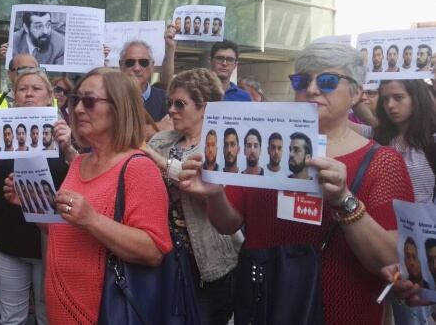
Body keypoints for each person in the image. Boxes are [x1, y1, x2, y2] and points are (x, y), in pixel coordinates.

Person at [177, 42, 414, 325]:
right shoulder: (264, 150)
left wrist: (344, 200)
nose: (312, 89)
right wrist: (214, 194)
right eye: (302, 80)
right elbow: (228, 224)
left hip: (343, 310)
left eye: (327, 81)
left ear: (356, 93)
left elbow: (388, 256)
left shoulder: (382, 162)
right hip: (267, 305)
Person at [8, 67, 172, 324]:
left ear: (119, 107)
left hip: (104, 313)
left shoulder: (138, 167)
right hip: (60, 310)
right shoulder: (78, 162)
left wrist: (92, 219)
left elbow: (153, 250)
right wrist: (31, 202)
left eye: (90, 101)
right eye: (76, 100)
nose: (79, 109)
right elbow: (62, 232)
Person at [0, 68, 76, 325]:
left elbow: (85, 180)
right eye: (23, 89)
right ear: (14, 96)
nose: (29, 94)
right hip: (9, 239)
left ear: (50, 96)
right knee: (10, 318)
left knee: (47, 316)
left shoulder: (66, 131)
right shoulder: (0, 133)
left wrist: (69, 148)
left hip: (51, 240)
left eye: (36, 89)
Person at [142, 68, 240, 325]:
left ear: (204, 107)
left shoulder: (222, 144)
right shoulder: (163, 140)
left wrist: (158, 161)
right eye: (170, 103)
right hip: (166, 259)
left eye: (180, 104)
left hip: (210, 260)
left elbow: (198, 178)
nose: (171, 110)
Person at [373, 79, 436, 203]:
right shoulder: (380, 136)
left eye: (398, 97)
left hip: (424, 220)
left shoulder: (432, 139)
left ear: (416, 98)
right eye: (385, 99)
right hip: (385, 219)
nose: (390, 105)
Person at [118, 40, 168, 124]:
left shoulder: (165, 99)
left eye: (143, 62)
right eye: (130, 62)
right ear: (121, 66)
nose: (137, 68)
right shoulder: (111, 98)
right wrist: (158, 127)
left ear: (152, 66)